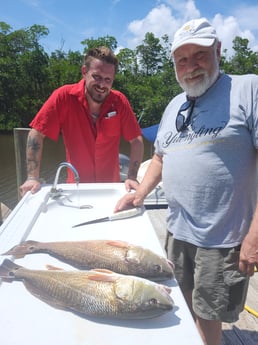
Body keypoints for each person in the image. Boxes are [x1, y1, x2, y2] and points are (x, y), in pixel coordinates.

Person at [114, 18, 258, 345]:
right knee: (180, 298)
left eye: (200, 55)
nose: (191, 67)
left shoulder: (248, 89)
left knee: (209, 311)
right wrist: (140, 194)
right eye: (182, 59)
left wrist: (254, 236)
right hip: (177, 231)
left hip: (222, 237)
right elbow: (162, 157)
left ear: (218, 51)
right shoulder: (174, 105)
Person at [20, 46, 143, 196]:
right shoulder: (63, 97)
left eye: (107, 79)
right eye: (97, 77)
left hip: (110, 189)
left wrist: (131, 177)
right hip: (76, 189)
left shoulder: (119, 102)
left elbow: (136, 140)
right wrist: (32, 177)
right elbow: (36, 134)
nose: (102, 85)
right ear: (84, 72)